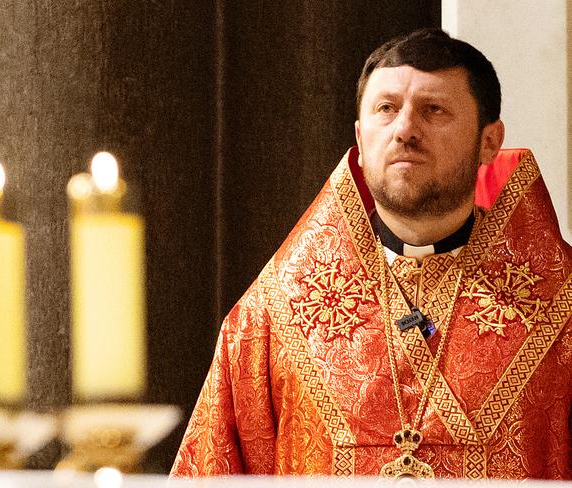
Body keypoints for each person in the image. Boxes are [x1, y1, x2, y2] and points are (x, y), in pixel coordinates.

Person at [170, 28, 572, 479]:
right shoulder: (268, 319)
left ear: (490, 141)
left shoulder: (564, 310)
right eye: (387, 109)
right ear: (360, 140)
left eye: (433, 110)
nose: (405, 130)